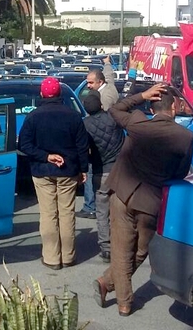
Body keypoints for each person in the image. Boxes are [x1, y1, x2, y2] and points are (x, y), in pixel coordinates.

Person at [94, 83, 193, 317]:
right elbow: (180, 174)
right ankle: (124, 301)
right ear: (175, 107)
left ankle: (109, 285)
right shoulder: (185, 136)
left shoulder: (138, 123)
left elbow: (116, 109)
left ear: (151, 106)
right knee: (139, 252)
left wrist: (141, 95)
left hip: (122, 193)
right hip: (151, 200)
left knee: (121, 251)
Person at [18, 77, 89, 270]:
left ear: (42, 94)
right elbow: (82, 146)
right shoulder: (73, 116)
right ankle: (68, 256)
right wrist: (84, 169)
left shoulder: (33, 116)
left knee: (48, 214)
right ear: (59, 94)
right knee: (66, 213)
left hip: (42, 171)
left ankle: (51, 258)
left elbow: (23, 145)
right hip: (68, 170)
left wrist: (46, 156)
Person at [82, 91, 124, 263]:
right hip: (120, 170)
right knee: (121, 210)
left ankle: (106, 248)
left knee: (102, 210)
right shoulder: (113, 119)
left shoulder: (85, 125)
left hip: (101, 170)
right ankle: (122, 243)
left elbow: (85, 149)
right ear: (100, 105)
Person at [78, 59, 122, 218]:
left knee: (91, 174)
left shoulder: (106, 97)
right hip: (105, 145)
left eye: (90, 83)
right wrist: (108, 63)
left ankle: (90, 207)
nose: (88, 86)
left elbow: (103, 122)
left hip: (101, 147)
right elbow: (109, 75)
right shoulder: (107, 84)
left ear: (100, 82)